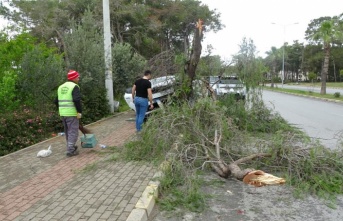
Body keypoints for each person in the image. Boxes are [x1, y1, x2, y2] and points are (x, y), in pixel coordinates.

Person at [55, 70, 82, 157]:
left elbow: (56, 101)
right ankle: (70, 150)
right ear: (73, 78)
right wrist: (79, 112)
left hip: (63, 113)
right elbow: (77, 100)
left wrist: (62, 109)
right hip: (71, 113)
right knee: (73, 131)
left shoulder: (61, 87)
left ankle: (71, 146)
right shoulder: (75, 86)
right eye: (77, 77)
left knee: (68, 131)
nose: (79, 78)